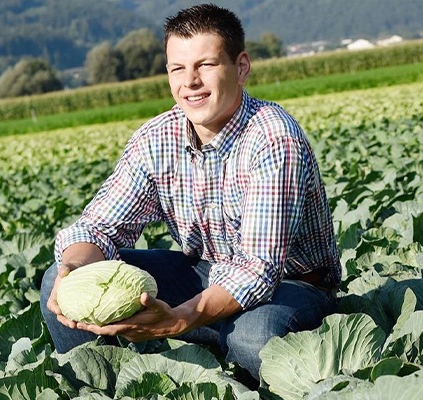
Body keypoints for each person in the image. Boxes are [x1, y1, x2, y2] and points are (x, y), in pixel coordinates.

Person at [39, 3, 341, 384]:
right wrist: (74, 269)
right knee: (58, 281)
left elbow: (259, 269)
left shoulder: (272, 137)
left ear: (241, 67)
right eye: (177, 69)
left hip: (292, 285)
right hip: (204, 272)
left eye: (206, 65)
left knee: (254, 338)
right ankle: (102, 388)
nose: (190, 82)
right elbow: (99, 228)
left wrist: (178, 319)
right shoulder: (156, 138)